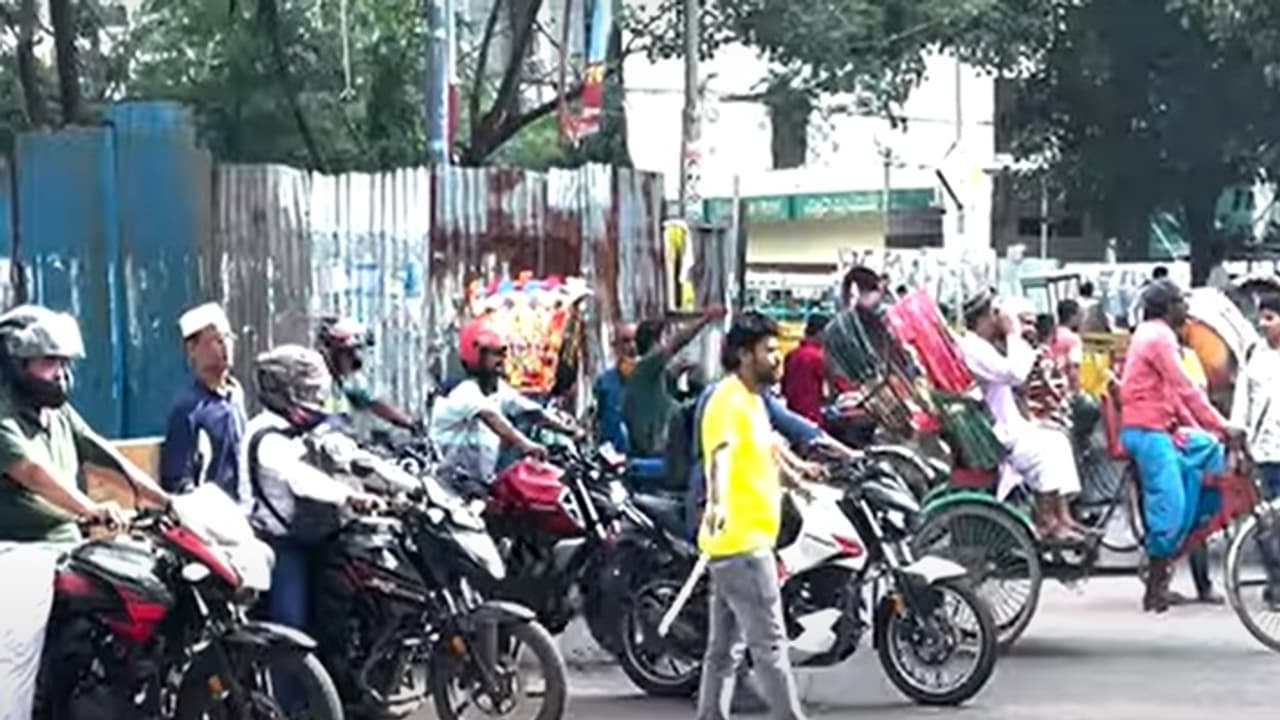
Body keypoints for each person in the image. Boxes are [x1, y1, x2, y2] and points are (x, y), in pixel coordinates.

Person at [0, 305, 172, 720]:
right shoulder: (4, 415)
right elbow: (32, 472)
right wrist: (90, 508)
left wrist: (167, 501)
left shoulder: (57, 413)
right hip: (16, 552)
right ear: (16, 362)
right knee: (16, 654)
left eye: (62, 362)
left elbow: (103, 455)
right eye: (48, 361)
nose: (60, 372)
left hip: (66, 550)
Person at [696, 311, 824, 720]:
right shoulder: (725, 402)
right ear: (743, 354)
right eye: (768, 351)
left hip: (738, 543)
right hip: (743, 543)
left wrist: (799, 474)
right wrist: (716, 506)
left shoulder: (751, 399)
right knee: (769, 647)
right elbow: (718, 458)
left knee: (723, 652)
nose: (777, 357)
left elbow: (767, 446)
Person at [241, 344, 384, 634]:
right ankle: (286, 678)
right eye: (307, 391)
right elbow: (300, 478)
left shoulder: (307, 427)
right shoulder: (266, 433)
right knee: (290, 628)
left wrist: (401, 482)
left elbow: (350, 455)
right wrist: (350, 496)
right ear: (284, 391)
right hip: (279, 544)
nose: (315, 399)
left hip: (316, 536)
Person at [1118, 279, 1238, 613]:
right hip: (1147, 431)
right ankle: (1157, 584)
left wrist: (1207, 428)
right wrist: (1222, 424)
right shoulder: (1158, 336)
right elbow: (1184, 387)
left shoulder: (1152, 333)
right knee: (1168, 509)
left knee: (1209, 449)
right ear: (1168, 307)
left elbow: (1174, 395)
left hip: (1163, 428)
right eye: (1182, 302)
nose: (1186, 309)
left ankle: (1188, 531)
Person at [957, 289, 1086, 541]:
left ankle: (1062, 515)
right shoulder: (973, 348)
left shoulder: (983, 346)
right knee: (1047, 448)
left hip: (1006, 424)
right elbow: (1015, 374)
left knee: (1057, 438)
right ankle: (1047, 519)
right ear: (987, 317)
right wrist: (1013, 333)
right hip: (996, 434)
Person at [430, 317, 580, 494]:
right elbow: (492, 419)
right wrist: (526, 444)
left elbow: (530, 411)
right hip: (451, 485)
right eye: (493, 354)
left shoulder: (497, 388)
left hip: (479, 482)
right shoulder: (463, 391)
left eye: (502, 353)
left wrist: (568, 430)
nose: (500, 360)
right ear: (476, 354)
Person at [160, 303, 248, 502]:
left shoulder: (235, 394)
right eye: (217, 340)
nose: (226, 346)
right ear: (192, 349)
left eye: (228, 338)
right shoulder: (187, 409)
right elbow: (178, 480)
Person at [622, 304, 725, 458]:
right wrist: (706, 319)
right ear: (656, 342)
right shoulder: (646, 366)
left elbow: (663, 386)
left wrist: (678, 371)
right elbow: (678, 342)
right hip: (657, 447)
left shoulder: (649, 375)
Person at [1231, 291, 1280, 605]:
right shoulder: (1255, 355)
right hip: (1264, 452)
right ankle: (1276, 581)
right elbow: (1241, 403)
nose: (1263, 324)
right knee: (1267, 523)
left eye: (1270, 318)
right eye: (1261, 318)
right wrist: (1237, 442)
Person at [315, 315, 420, 431]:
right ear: (332, 352)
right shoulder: (315, 380)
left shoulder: (345, 383)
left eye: (356, 352)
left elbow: (374, 403)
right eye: (349, 353)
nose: (356, 359)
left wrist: (410, 423)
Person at [593, 322, 637, 452]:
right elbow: (595, 420)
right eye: (626, 341)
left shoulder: (650, 380)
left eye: (635, 340)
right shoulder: (604, 382)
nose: (632, 346)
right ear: (616, 345)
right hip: (612, 457)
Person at [780, 313, 829, 423]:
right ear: (821, 333)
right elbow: (835, 386)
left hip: (791, 418)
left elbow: (784, 388)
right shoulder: (819, 357)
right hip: (812, 417)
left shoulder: (791, 355)